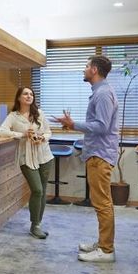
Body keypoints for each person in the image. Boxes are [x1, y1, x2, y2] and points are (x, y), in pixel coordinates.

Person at [54, 55, 119, 263]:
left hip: (100, 155)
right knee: (101, 202)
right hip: (97, 153)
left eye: (86, 66)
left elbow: (102, 126)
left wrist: (73, 124)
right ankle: (103, 243)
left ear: (94, 70)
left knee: (102, 203)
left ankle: (106, 251)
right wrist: (72, 125)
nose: (84, 69)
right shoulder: (100, 92)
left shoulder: (103, 94)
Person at [0, 87, 53, 239]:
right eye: (25, 94)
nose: (29, 96)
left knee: (42, 191)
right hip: (26, 158)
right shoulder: (13, 116)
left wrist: (42, 137)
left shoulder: (39, 113)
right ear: (19, 98)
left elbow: (48, 132)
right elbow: (2, 131)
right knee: (37, 190)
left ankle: (37, 225)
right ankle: (34, 225)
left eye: (31, 94)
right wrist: (22, 134)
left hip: (44, 156)